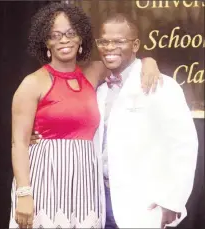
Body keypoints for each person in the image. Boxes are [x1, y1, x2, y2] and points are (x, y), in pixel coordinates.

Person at [10, 3, 161, 229]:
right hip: (44, 180)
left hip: (85, 184)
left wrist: (150, 62)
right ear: (46, 42)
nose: (64, 40)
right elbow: (19, 143)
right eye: (55, 35)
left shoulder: (93, 72)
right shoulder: (32, 83)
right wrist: (24, 193)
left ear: (81, 38)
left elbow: (126, 61)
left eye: (71, 33)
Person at [93, 13, 198, 228]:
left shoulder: (162, 86)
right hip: (99, 203)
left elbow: (183, 145)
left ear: (135, 45)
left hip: (143, 206)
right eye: (104, 41)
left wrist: (172, 200)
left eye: (119, 41)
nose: (109, 46)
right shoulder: (99, 90)